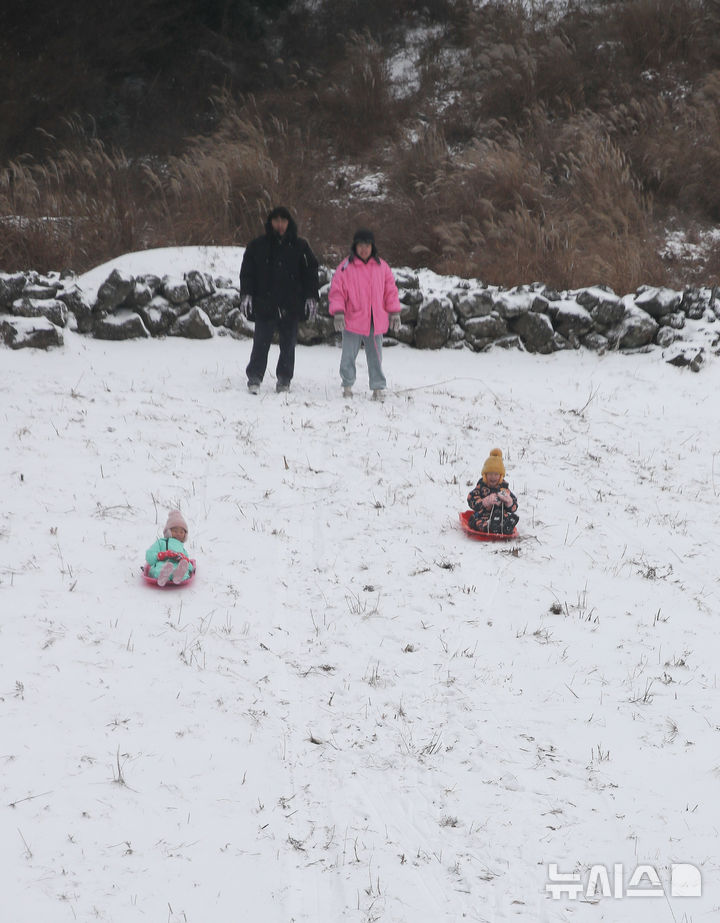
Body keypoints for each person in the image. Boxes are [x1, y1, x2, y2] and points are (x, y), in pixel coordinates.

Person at [239, 206, 319, 394]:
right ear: (270, 223)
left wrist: (311, 296)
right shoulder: (257, 246)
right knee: (260, 342)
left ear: (289, 223)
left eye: (284, 220)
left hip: (291, 305)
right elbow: (247, 273)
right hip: (265, 304)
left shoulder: (301, 247)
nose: (280, 225)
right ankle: (254, 377)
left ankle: (284, 379)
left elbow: (311, 274)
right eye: (276, 220)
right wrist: (247, 294)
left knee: (288, 345)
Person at [328, 228, 402, 401]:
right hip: (352, 320)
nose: (364, 249)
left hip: (375, 321)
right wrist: (338, 312)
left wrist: (394, 312)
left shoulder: (382, 266)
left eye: (367, 245)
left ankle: (377, 388)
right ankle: (347, 386)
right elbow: (337, 291)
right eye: (360, 245)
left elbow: (390, 291)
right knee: (348, 355)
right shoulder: (345, 267)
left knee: (376, 357)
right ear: (355, 246)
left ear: (372, 246)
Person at [467, 448, 519, 534]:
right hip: (483, 515)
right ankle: (490, 526)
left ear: (501, 476)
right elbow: (471, 499)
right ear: (485, 475)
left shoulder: (504, 489)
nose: (493, 477)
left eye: (496, 474)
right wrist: (484, 501)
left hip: (500, 515)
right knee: (474, 521)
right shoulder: (481, 487)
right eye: (490, 474)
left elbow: (514, 507)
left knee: (506, 517)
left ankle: (506, 526)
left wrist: (509, 501)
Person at [145, 510, 194, 586]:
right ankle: (163, 576)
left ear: (185, 535)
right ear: (168, 531)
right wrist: (161, 555)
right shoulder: (161, 542)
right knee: (159, 568)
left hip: (177, 566)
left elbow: (190, 567)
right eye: (175, 531)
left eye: (181, 532)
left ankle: (178, 576)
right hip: (163, 563)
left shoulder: (182, 549)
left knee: (183, 569)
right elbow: (149, 556)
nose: (178, 534)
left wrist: (184, 559)